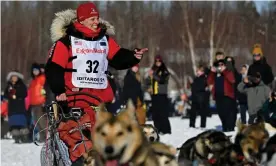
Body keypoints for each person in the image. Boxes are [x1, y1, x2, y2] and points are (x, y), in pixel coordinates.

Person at [45, 2, 148, 165]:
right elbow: (54, 68)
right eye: (92, 18)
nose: (96, 22)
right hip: (74, 100)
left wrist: (133, 56)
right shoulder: (66, 42)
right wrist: (59, 90)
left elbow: (118, 57)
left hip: (100, 100)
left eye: (97, 18)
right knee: (76, 135)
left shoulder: (104, 40)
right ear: (82, 20)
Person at [207, 59, 236, 132]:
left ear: (225, 65)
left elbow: (232, 80)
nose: (219, 66)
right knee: (221, 113)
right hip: (218, 96)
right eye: (218, 65)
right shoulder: (215, 74)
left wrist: (224, 71)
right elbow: (209, 81)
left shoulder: (228, 72)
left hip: (227, 96)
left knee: (228, 113)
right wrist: (212, 72)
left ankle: (230, 128)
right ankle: (225, 127)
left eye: (221, 65)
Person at [148, 55, 171, 134]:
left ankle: (166, 130)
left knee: (163, 114)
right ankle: (158, 129)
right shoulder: (153, 70)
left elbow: (162, 80)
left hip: (162, 94)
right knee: (155, 114)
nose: (158, 63)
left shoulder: (164, 70)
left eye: (159, 61)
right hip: (154, 95)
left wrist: (153, 75)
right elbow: (148, 81)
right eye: (156, 61)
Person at [4, 71, 29, 143]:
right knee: (14, 124)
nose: (14, 78)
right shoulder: (9, 86)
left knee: (22, 123)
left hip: (20, 107)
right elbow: (6, 95)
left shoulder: (22, 85)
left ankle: (24, 137)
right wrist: (10, 95)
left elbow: (25, 94)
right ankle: (16, 138)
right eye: (13, 77)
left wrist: (16, 94)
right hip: (12, 107)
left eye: (15, 77)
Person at [28, 63, 46, 142]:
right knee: (36, 122)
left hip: (40, 102)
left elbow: (45, 89)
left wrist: (45, 100)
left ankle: (47, 137)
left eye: (36, 70)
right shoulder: (33, 80)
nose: (35, 72)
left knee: (42, 121)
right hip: (33, 104)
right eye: (34, 70)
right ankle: (42, 138)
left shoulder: (42, 78)